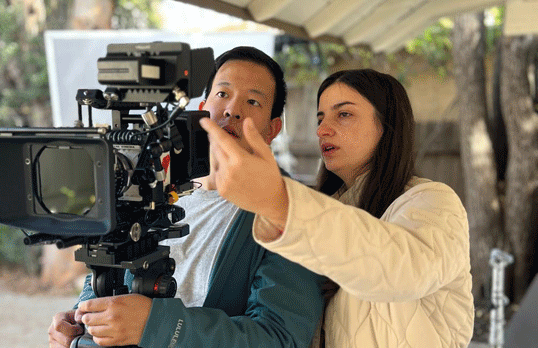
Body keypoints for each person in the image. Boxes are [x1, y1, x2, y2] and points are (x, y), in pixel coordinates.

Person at [48, 46, 326, 348]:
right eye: (223, 94)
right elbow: (109, 267)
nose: (233, 109)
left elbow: (278, 337)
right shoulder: (154, 182)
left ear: (273, 129)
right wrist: (81, 316)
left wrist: (156, 325)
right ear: (203, 106)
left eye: (253, 101)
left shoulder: (290, 211)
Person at [201, 69, 475, 347]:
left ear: (387, 124)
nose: (322, 130)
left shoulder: (433, 202)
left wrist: (281, 203)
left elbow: (403, 270)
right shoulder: (327, 207)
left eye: (343, 114)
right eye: (320, 118)